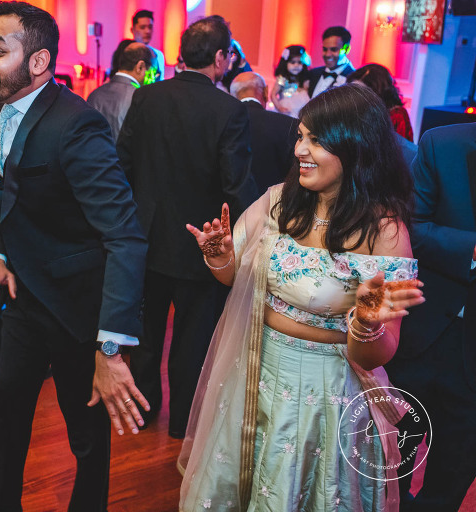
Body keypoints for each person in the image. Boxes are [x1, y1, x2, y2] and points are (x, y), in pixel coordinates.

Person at [178, 83, 425, 511]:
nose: (299, 150)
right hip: (255, 370)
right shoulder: (279, 202)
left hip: (326, 392)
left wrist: (366, 324)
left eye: (317, 140)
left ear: (356, 148)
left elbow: (377, 355)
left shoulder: (384, 232)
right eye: (300, 136)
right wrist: (220, 258)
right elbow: (235, 279)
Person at [0, 2, 149, 510]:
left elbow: (125, 237)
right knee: (7, 414)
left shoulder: (77, 125)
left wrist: (110, 348)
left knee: (85, 434)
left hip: (78, 308)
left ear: (39, 61)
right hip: (23, 300)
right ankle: (1, 502)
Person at [117, 15, 258, 440]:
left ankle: (142, 412)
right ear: (221, 57)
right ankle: (182, 422)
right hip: (201, 242)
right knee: (191, 340)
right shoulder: (229, 109)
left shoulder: (146, 97)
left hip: (147, 236)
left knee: (145, 333)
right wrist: (249, 239)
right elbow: (237, 186)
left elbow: (122, 164)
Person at [384, 122, 476, 512]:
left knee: (450, 482)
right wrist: (471, 249)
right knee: (387, 470)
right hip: (421, 336)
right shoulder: (443, 144)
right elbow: (410, 227)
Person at [231, 71, 298, 194]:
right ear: (266, 92)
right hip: (274, 202)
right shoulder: (289, 124)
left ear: (233, 96)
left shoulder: (222, 123)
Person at [87, 42, 154, 141]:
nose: (153, 78)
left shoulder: (94, 95)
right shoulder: (140, 98)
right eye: (152, 72)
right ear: (140, 67)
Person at [347, 63, 413, 142]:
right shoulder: (352, 110)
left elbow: (400, 146)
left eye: (362, 92)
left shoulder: (396, 115)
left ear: (378, 92)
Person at [308, 26, 355, 98]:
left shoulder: (353, 80)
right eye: (325, 49)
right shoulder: (313, 73)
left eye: (334, 49)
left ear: (347, 49)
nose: (328, 54)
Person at [271, 44, 311, 117]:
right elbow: (273, 94)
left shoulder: (304, 79)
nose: (296, 65)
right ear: (285, 63)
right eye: (292, 62)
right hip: (287, 110)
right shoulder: (282, 78)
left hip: (302, 111)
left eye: (299, 62)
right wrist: (279, 107)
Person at [131, 9, 165, 81]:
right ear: (133, 30)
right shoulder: (126, 53)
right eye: (142, 27)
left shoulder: (158, 55)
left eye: (150, 27)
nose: (147, 31)